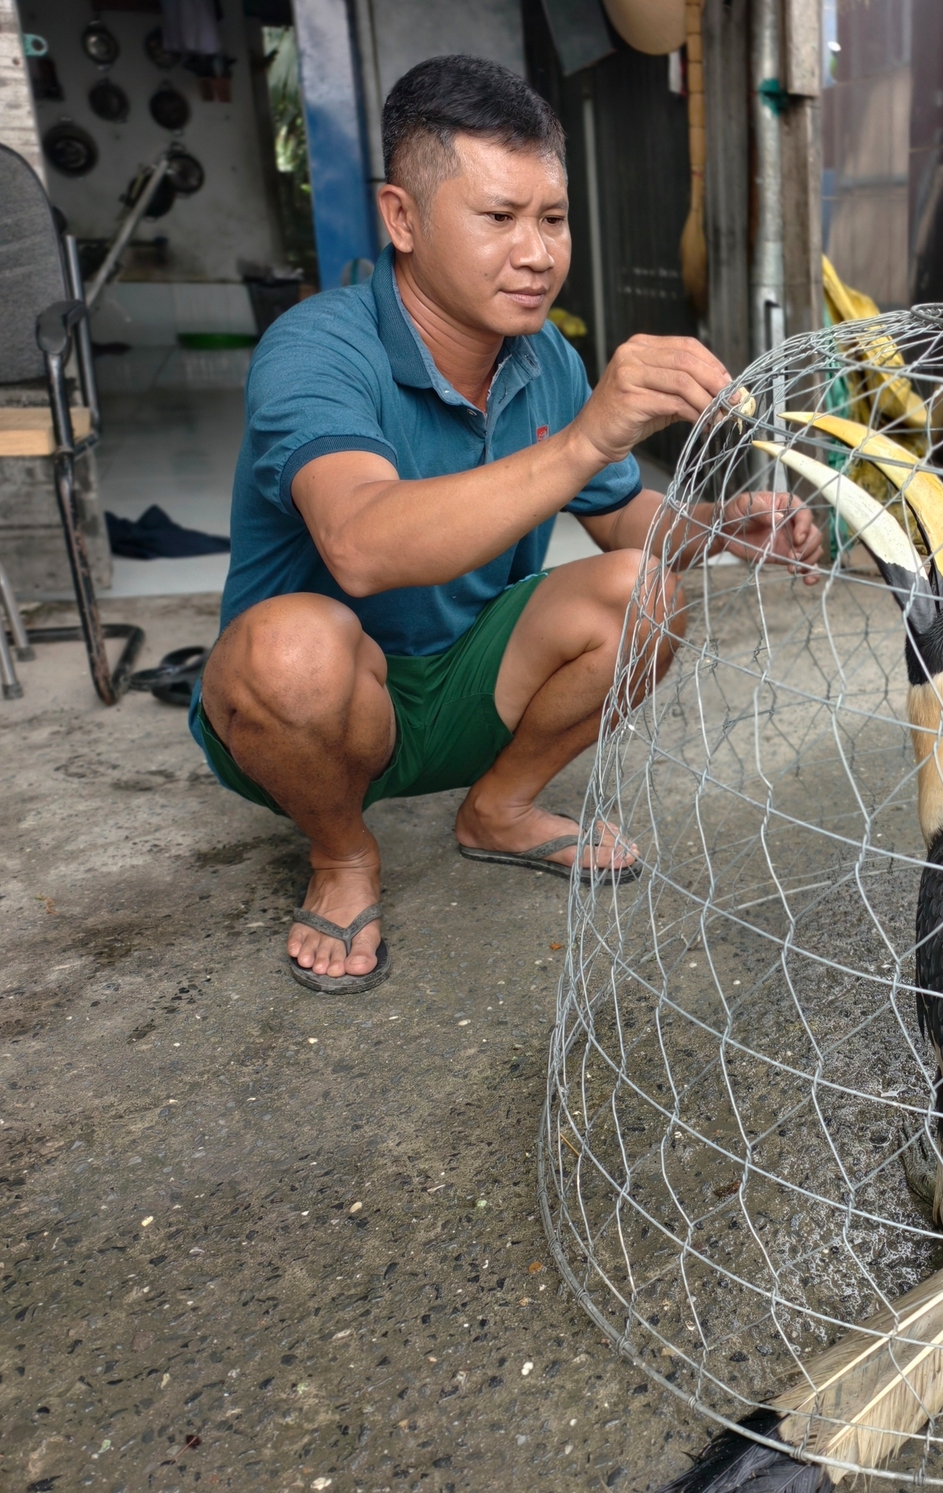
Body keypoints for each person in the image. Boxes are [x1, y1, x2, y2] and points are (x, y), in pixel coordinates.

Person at [194, 55, 821, 995]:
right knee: (291, 650)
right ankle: (341, 853)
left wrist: (726, 526)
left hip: (469, 692)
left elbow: (623, 525)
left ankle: (499, 806)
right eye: (499, 219)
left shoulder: (543, 358)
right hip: (317, 711)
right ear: (401, 218)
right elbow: (360, 545)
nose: (536, 253)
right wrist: (582, 440)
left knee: (644, 591)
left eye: (553, 219)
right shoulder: (316, 348)